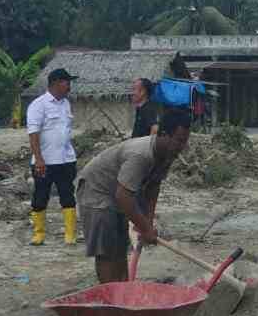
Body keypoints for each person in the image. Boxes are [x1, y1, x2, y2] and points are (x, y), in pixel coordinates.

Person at [77, 107, 191, 285]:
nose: (182, 147)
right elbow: (123, 197)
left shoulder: (168, 153)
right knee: (106, 251)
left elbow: (153, 187)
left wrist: (148, 222)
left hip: (118, 191)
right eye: (179, 140)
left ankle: (123, 289)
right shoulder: (140, 155)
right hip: (96, 190)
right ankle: (111, 295)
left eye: (185, 141)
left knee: (119, 247)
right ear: (163, 134)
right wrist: (145, 228)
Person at [26, 67, 78, 246]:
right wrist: (39, 159)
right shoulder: (38, 105)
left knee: (68, 196)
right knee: (40, 196)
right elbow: (33, 133)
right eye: (67, 82)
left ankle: (70, 234)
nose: (69, 86)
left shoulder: (66, 104)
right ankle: (39, 234)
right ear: (56, 83)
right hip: (45, 161)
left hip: (66, 159)